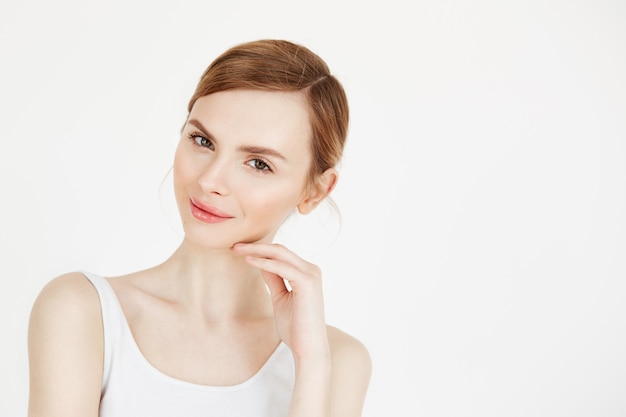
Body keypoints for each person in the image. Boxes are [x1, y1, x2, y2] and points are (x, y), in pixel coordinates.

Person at [27, 39, 371, 417]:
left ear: (316, 191)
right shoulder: (83, 311)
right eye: (202, 140)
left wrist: (310, 364)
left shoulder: (336, 360)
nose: (210, 180)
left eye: (258, 163)